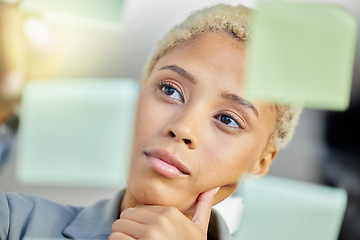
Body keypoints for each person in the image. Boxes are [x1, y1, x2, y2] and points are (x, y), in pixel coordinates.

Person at [0, 4, 301, 240]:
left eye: (227, 119)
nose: (183, 128)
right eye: (170, 90)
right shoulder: (15, 223)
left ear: (262, 161)